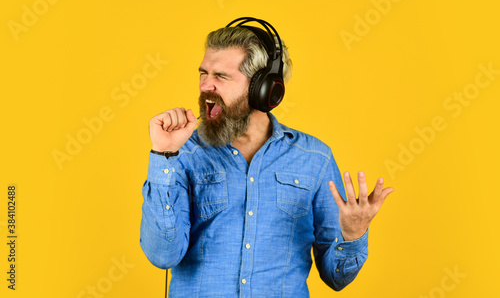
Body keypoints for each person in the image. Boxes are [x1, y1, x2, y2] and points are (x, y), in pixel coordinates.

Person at [140, 17, 394, 297]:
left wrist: (353, 235)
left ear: (263, 89)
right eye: (204, 73)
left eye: (221, 76)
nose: (205, 86)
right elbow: (162, 255)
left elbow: (336, 277)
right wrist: (163, 155)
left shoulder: (314, 158)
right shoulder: (183, 153)